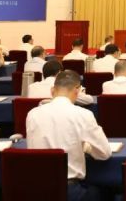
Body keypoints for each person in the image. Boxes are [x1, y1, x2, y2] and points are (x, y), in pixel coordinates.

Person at [27, 70, 111, 201]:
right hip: (69, 192)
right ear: (77, 91)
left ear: (52, 91)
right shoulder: (83, 115)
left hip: (36, 189)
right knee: (105, 191)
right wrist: (87, 147)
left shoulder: (32, 114)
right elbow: (104, 153)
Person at [27, 60, 94, 105]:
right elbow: (89, 100)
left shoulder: (31, 87)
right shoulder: (65, 88)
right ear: (59, 73)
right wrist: (80, 90)